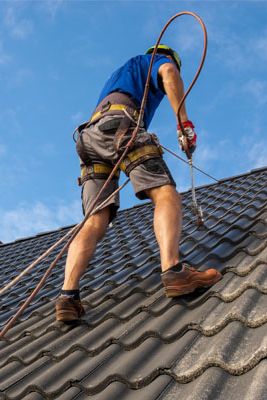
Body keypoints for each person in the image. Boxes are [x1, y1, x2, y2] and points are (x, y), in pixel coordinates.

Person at [56, 45, 221, 322]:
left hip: (89, 138)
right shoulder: (157, 62)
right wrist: (184, 126)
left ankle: (68, 298)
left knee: (95, 220)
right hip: (120, 126)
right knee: (166, 194)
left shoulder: (121, 74)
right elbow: (168, 72)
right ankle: (173, 270)